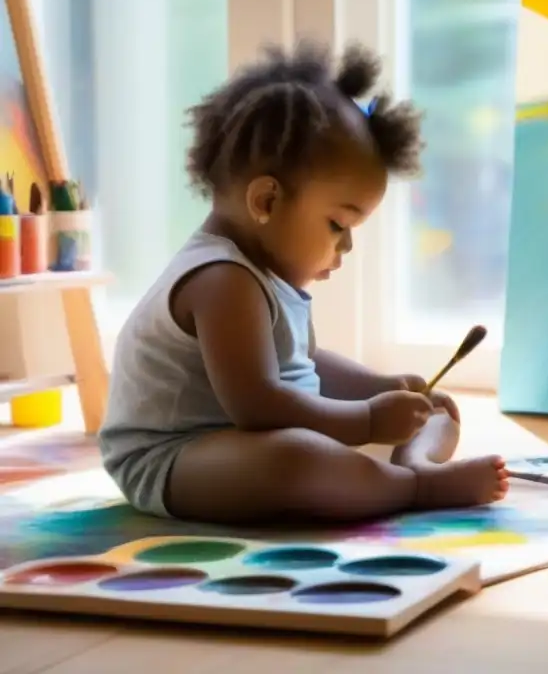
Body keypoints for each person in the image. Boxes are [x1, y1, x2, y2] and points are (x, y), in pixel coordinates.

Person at [98, 40, 509, 525]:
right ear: (267, 202)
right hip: (173, 458)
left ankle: (412, 463)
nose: (347, 246)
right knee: (293, 460)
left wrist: (381, 387)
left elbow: (305, 364)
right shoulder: (222, 280)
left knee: (436, 409)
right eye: (338, 224)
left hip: (242, 440)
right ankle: (415, 487)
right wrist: (370, 419)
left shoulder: (263, 274)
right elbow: (259, 405)